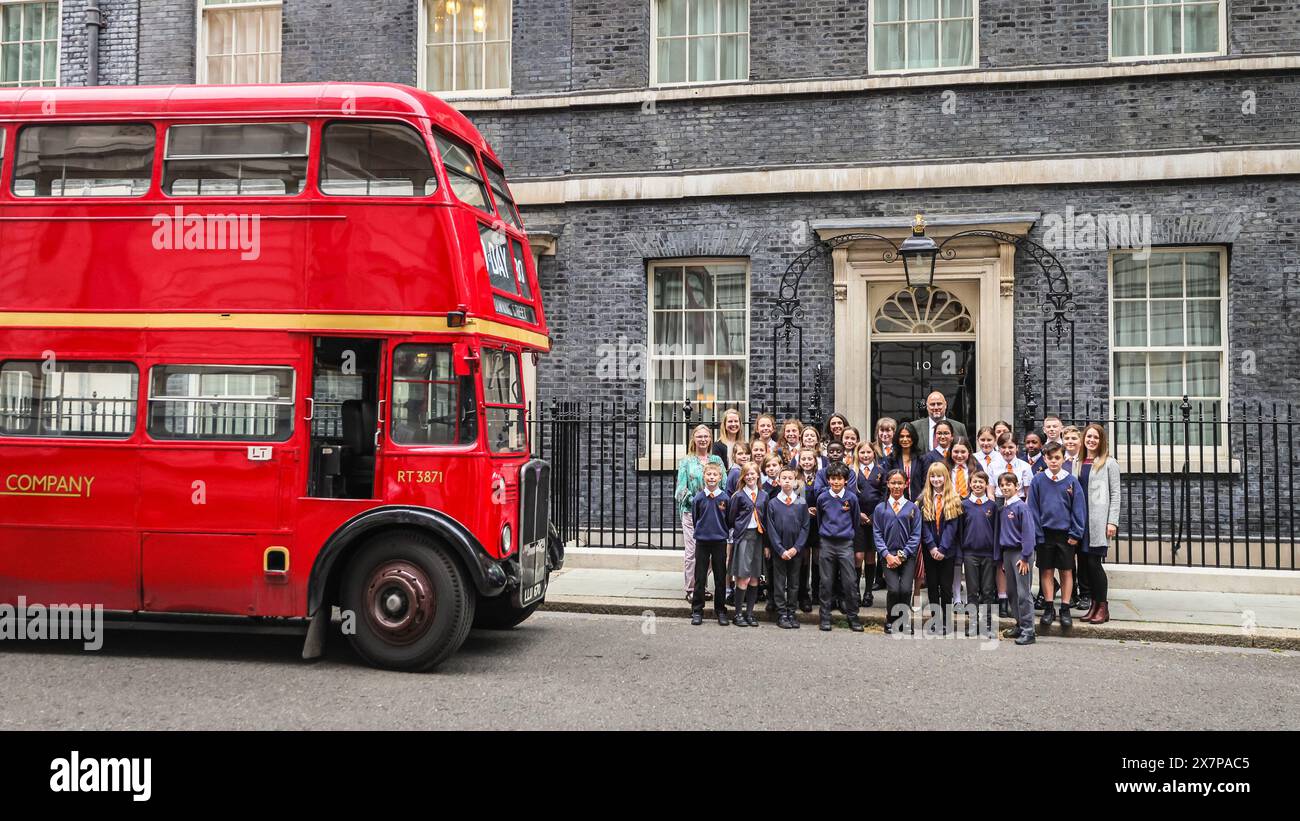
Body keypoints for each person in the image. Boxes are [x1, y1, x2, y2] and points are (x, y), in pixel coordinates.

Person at [1029, 442, 1087, 630]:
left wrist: (1076, 532)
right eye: (1050, 458)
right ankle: (1048, 607)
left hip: (1065, 535)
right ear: (1044, 459)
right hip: (1045, 534)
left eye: (1057, 458)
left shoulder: (1071, 481)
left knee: (1066, 571)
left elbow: (1078, 509)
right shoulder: (1038, 480)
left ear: (1063, 459)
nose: (1053, 461)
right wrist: (1037, 534)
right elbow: (1033, 509)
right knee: (1046, 571)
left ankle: (1064, 607)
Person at [1074, 423, 1122, 624]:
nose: (1091, 440)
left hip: (1099, 522)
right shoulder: (1079, 462)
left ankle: (1103, 606)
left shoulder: (1110, 463)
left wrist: (1112, 521)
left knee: (1095, 564)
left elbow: (1116, 494)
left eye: (1096, 437)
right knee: (1084, 565)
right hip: (1081, 522)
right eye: (1089, 437)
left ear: (1101, 441)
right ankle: (1093, 605)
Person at [675, 424, 725, 601]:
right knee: (693, 551)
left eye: (706, 436)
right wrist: (697, 501)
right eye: (699, 436)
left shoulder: (717, 461)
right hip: (691, 512)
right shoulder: (686, 462)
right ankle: (691, 589)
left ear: (710, 439)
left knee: (712, 552)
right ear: (693, 439)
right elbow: (680, 490)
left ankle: (701, 584)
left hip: (714, 514)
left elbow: (724, 486)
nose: (703, 439)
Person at [815, 463, 864, 632]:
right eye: (833, 479)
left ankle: (853, 617)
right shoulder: (822, 498)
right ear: (828, 480)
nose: (836, 482)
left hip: (845, 545)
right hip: (827, 543)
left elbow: (856, 521)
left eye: (839, 479)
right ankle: (825, 617)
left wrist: (848, 536)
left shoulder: (851, 498)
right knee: (826, 582)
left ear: (845, 480)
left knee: (850, 582)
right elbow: (820, 520)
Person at [874, 470, 921, 635]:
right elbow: (877, 533)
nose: (896, 486)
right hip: (887, 556)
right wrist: (887, 555)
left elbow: (916, 535)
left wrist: (902, 555)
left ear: (905, 484)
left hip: (907, 556)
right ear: (888, 484)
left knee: (906, 589)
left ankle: (904, 620)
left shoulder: (912, 508)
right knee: (894, 589)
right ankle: (891, 619)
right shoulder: (881, 508)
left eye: (900, 483)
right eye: (893, 482)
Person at [918, 462, 962, 635]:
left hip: (947, 551)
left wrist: (942, 548)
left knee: (945, 586)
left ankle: (946, 621)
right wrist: (931, 547)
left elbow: (952, 527)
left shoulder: (954, 499)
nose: (936, 479)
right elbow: (924, 526)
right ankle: (936, 619)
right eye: (933, 476)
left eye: (939, 476)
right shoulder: (923, 499)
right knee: (932, 586)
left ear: (946, 477)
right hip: (930, 551)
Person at [996, 473, 1038, 645]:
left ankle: (1029, 631)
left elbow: (1028, 533)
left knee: (1023, 593)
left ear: (1017, 486)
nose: (1005, 487)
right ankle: (1020, 624)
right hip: (1007, 554)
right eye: (1002, 485)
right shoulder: (1003, 508)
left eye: (1009, 484)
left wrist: (1026, 557)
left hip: (1021, 554)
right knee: (1012, 592)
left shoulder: (1022, 507)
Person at [766, 467, 810, 629]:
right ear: (778, 481)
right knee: (779, 582)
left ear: (795, 481)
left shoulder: (801, 502)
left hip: (795, 551)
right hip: (780, 551)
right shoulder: (773, 503)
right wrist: (780, 549)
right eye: (783, 478)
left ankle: (791, 611)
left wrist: (796, 548)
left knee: (794, 582)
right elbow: (770, 528)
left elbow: (805, 527)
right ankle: (781, 612)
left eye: (789, 478)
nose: (786, 481)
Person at [689, 463, 731, 626]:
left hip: (719, 541)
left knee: (720, 577)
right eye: (709, 475)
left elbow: (728, 519)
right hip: (702, 542)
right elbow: (695, 519)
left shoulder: (725, 498)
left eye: (715, 475)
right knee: (700, 577)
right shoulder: (698, 498)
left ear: (720, 478)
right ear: (704, 477)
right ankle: (697, 611)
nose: (712, 478)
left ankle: (720, 610)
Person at [958, 471, 998, 637]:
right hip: (970, 554)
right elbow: (960, 532)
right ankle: (973, 623)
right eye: (975, 482)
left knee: (988, 591)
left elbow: (996, 532)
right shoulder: (964, 505)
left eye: (981, 482)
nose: (978, 485)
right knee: (972, 591)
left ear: (986, 484)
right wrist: (961, 554)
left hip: (988, 555)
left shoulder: (992, 506)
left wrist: (996, 555)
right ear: (970, 484)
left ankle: (988, 624)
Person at [728, 462, 768, 627]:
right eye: (747, 474)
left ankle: (750, 614)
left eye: (753, 474)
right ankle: (738, 614)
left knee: (754, 579)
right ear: (743, 477)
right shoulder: (738, 496)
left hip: (758, 538)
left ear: (758, 475)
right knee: (742, 578)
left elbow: (765, 519)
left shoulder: (764, 495)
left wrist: (766, 545)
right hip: (744, 537)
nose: (750, 477)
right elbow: (731, 518)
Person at [854, 441, 885, 609]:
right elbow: (850, 495)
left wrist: (874, 515)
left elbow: (884, 494)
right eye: (862, 453)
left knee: (871, 556)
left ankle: (868, 592)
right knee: (858, 556)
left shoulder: (880, 472)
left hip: (875, 519)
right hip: (857, 518)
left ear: (874, 453)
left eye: (868, 452)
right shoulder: (853, 472)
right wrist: (858, 513)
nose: (865, 456)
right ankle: (856, 591)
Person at [796, 447, 821, 612]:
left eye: (809, 459)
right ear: (799, 462)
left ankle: (817, 593)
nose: (806, 462)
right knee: (803, 559)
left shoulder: (821, 477)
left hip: (818, 523)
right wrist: (805, 510)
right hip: (802, 523)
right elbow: (793, 499)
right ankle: (803, 595)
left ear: (815, 461)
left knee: (818, 559)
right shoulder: (795, 478)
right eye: (803, 459)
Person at [893, 424, 924, 501]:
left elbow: (926, 484)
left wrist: (919, 501)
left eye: (908, 436)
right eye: (902, 436)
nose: (905, 439)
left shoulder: (922, 458)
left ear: (913, 438)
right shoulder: (891, 459)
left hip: (919, 503)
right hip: (897, 504)